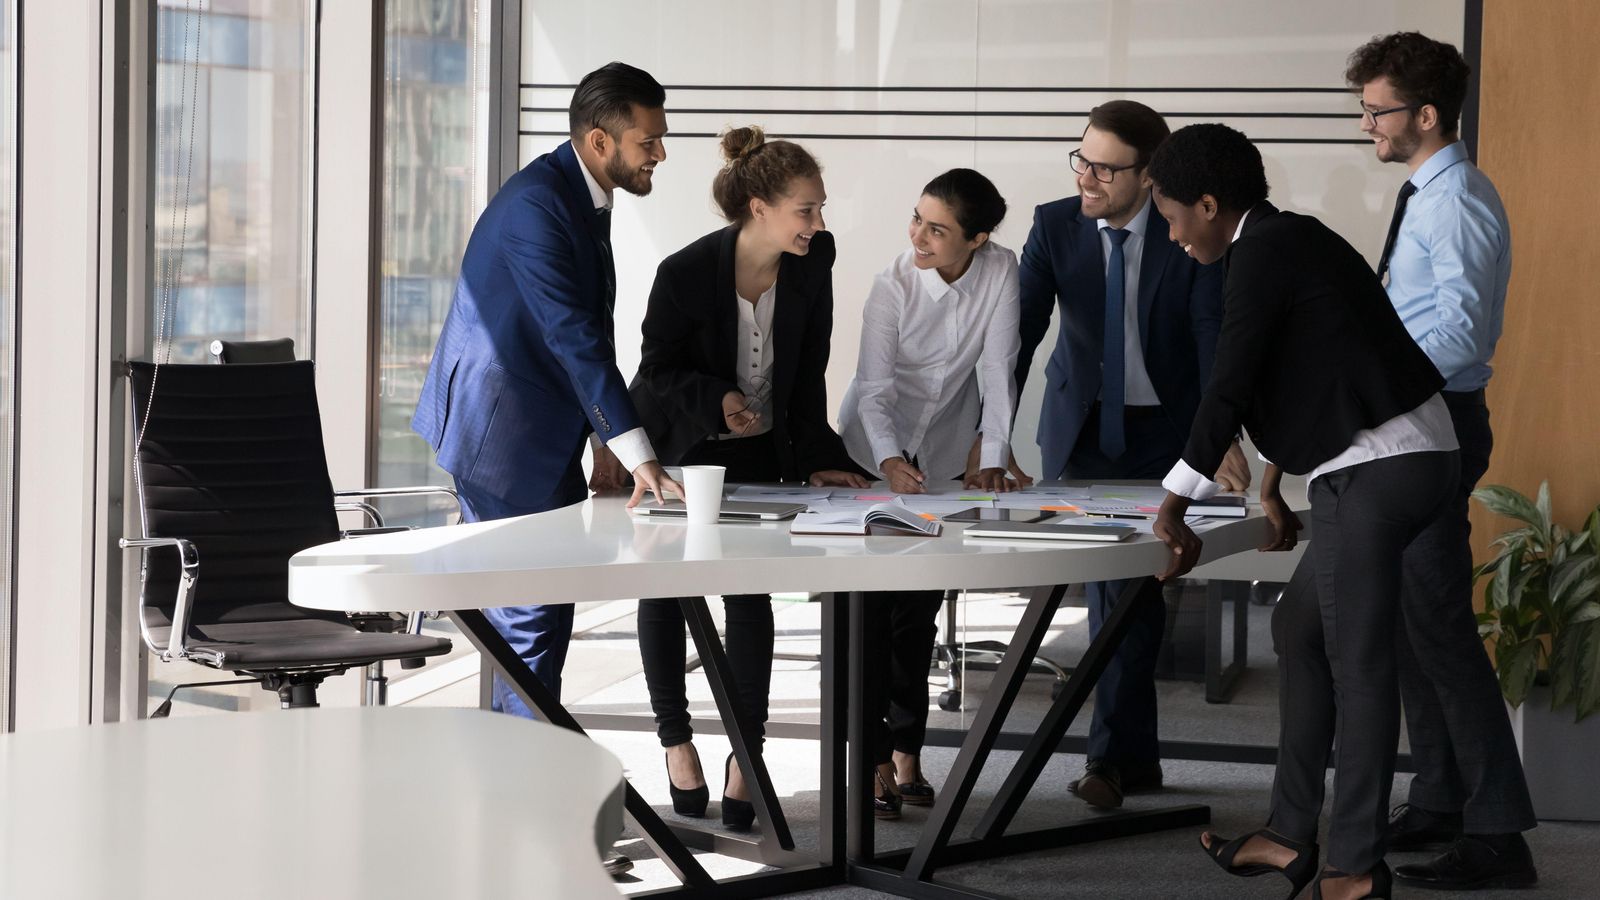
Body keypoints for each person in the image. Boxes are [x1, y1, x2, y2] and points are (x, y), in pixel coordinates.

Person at [1148, 123, 1460, 900]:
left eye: (1170, 214)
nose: (1172, 233)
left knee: (1360, 664)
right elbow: (1306, 370)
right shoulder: (1287, 240)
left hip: (1380, 469)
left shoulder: (1263, 253)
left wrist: (1172, 504)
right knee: (1299, 629)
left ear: (1211, 205)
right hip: (1398, 456)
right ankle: (1290, 835)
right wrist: (1269, 487)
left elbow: (1232, 378)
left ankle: (1352, 867)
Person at [409, 62, 683, 876]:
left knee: (534, 627)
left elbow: (583, 326)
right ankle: (536, 826)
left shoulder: (580, 192)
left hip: (537, 425)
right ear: (601, 140)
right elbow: (571, 334)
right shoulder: (537, 206)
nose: (660, 154)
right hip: (500, 435)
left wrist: (603, 438)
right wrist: (637, 450)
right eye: (649, 140)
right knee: (529, 623)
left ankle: (515, 806)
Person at [627, 126, 868, 831]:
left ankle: (745, 754)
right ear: (758, 207)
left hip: (758, 448)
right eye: (805, 209)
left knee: (748, 596)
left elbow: (808, 370)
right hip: (680, 441)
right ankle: (676, 742)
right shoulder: (685, 272)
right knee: (667, 593)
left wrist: (819, 451)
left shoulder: (812, 258)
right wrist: (719, 399)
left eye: (819, 209)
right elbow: (658, 368)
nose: (818, 224)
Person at [1344, 32, 1537, 891]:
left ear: (1424, 115)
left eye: (1377, 112)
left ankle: (1500, 836)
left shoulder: (1456, 200)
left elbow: (1458, 334)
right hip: (1419, 419)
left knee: (1440, 628)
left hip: (1436, 421)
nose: (1368, 128)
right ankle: (1441, 797)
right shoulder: (1431, 192)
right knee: (1412, 622)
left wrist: (1374, 390)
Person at [1014, 100, 1246, 810]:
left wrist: (1221, 436)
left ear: (1149, 177)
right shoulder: (1055, 223)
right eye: (1081, 158)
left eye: (1107, 168)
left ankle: (1113, 759)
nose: (1088, 176)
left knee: (1130, 594)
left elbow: (1214, 336)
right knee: (1110, 593)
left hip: (1163, 437)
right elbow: (1018, 335)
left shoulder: (1188, 232)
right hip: (1081, 435)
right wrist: (985, 438)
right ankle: (1125, 760)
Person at [837, 168, 1022, 817]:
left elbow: (999, 369)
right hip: (869, 451)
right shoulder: (892, 286)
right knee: (868, 616)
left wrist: (993, 454)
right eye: (917, 218)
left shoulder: (1000, 269)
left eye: (937, 228)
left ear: (977, 238)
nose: (918, 234)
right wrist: (886, 456)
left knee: (917, 612)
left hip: (942, 456)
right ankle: (871, 760)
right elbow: (875, 388)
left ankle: (908, 752)